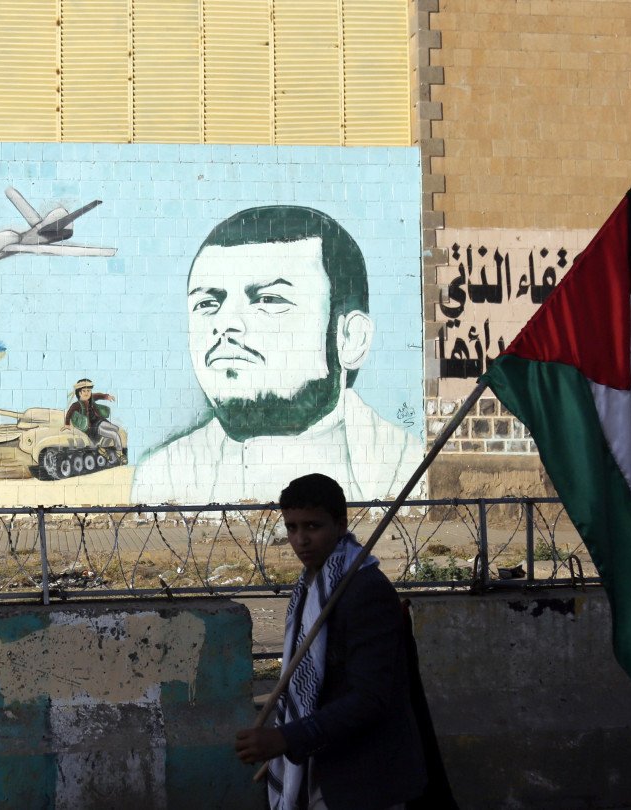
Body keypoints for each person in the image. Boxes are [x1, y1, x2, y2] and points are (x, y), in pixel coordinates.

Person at [132, 206, 422, 504]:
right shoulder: (164, 477)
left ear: (351, 338)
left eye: (269, 299)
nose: (225, 322)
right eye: (207, 304)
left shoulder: (407, 470)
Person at [235, 473, 426, 810]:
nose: (301, 540)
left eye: (312, 526)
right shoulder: (311, 585)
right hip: (321, 765)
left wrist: (286, 737)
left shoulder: (364, 590)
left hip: (364, 778)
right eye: (292, 528)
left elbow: (370, 699)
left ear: (340, 525)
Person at [64, 378, 125, 461]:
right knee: (114, 435)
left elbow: (99, 395)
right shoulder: (76, 405)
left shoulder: (91, 398)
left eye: (88, 391)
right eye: (84, 391)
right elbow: (69, 413)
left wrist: (107, 396)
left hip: (99, 421)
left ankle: (102, 448)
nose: (87, 393)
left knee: (116, 428)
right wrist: (67, 424)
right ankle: (119, 454)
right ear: (79, 392)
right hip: (92, 428)